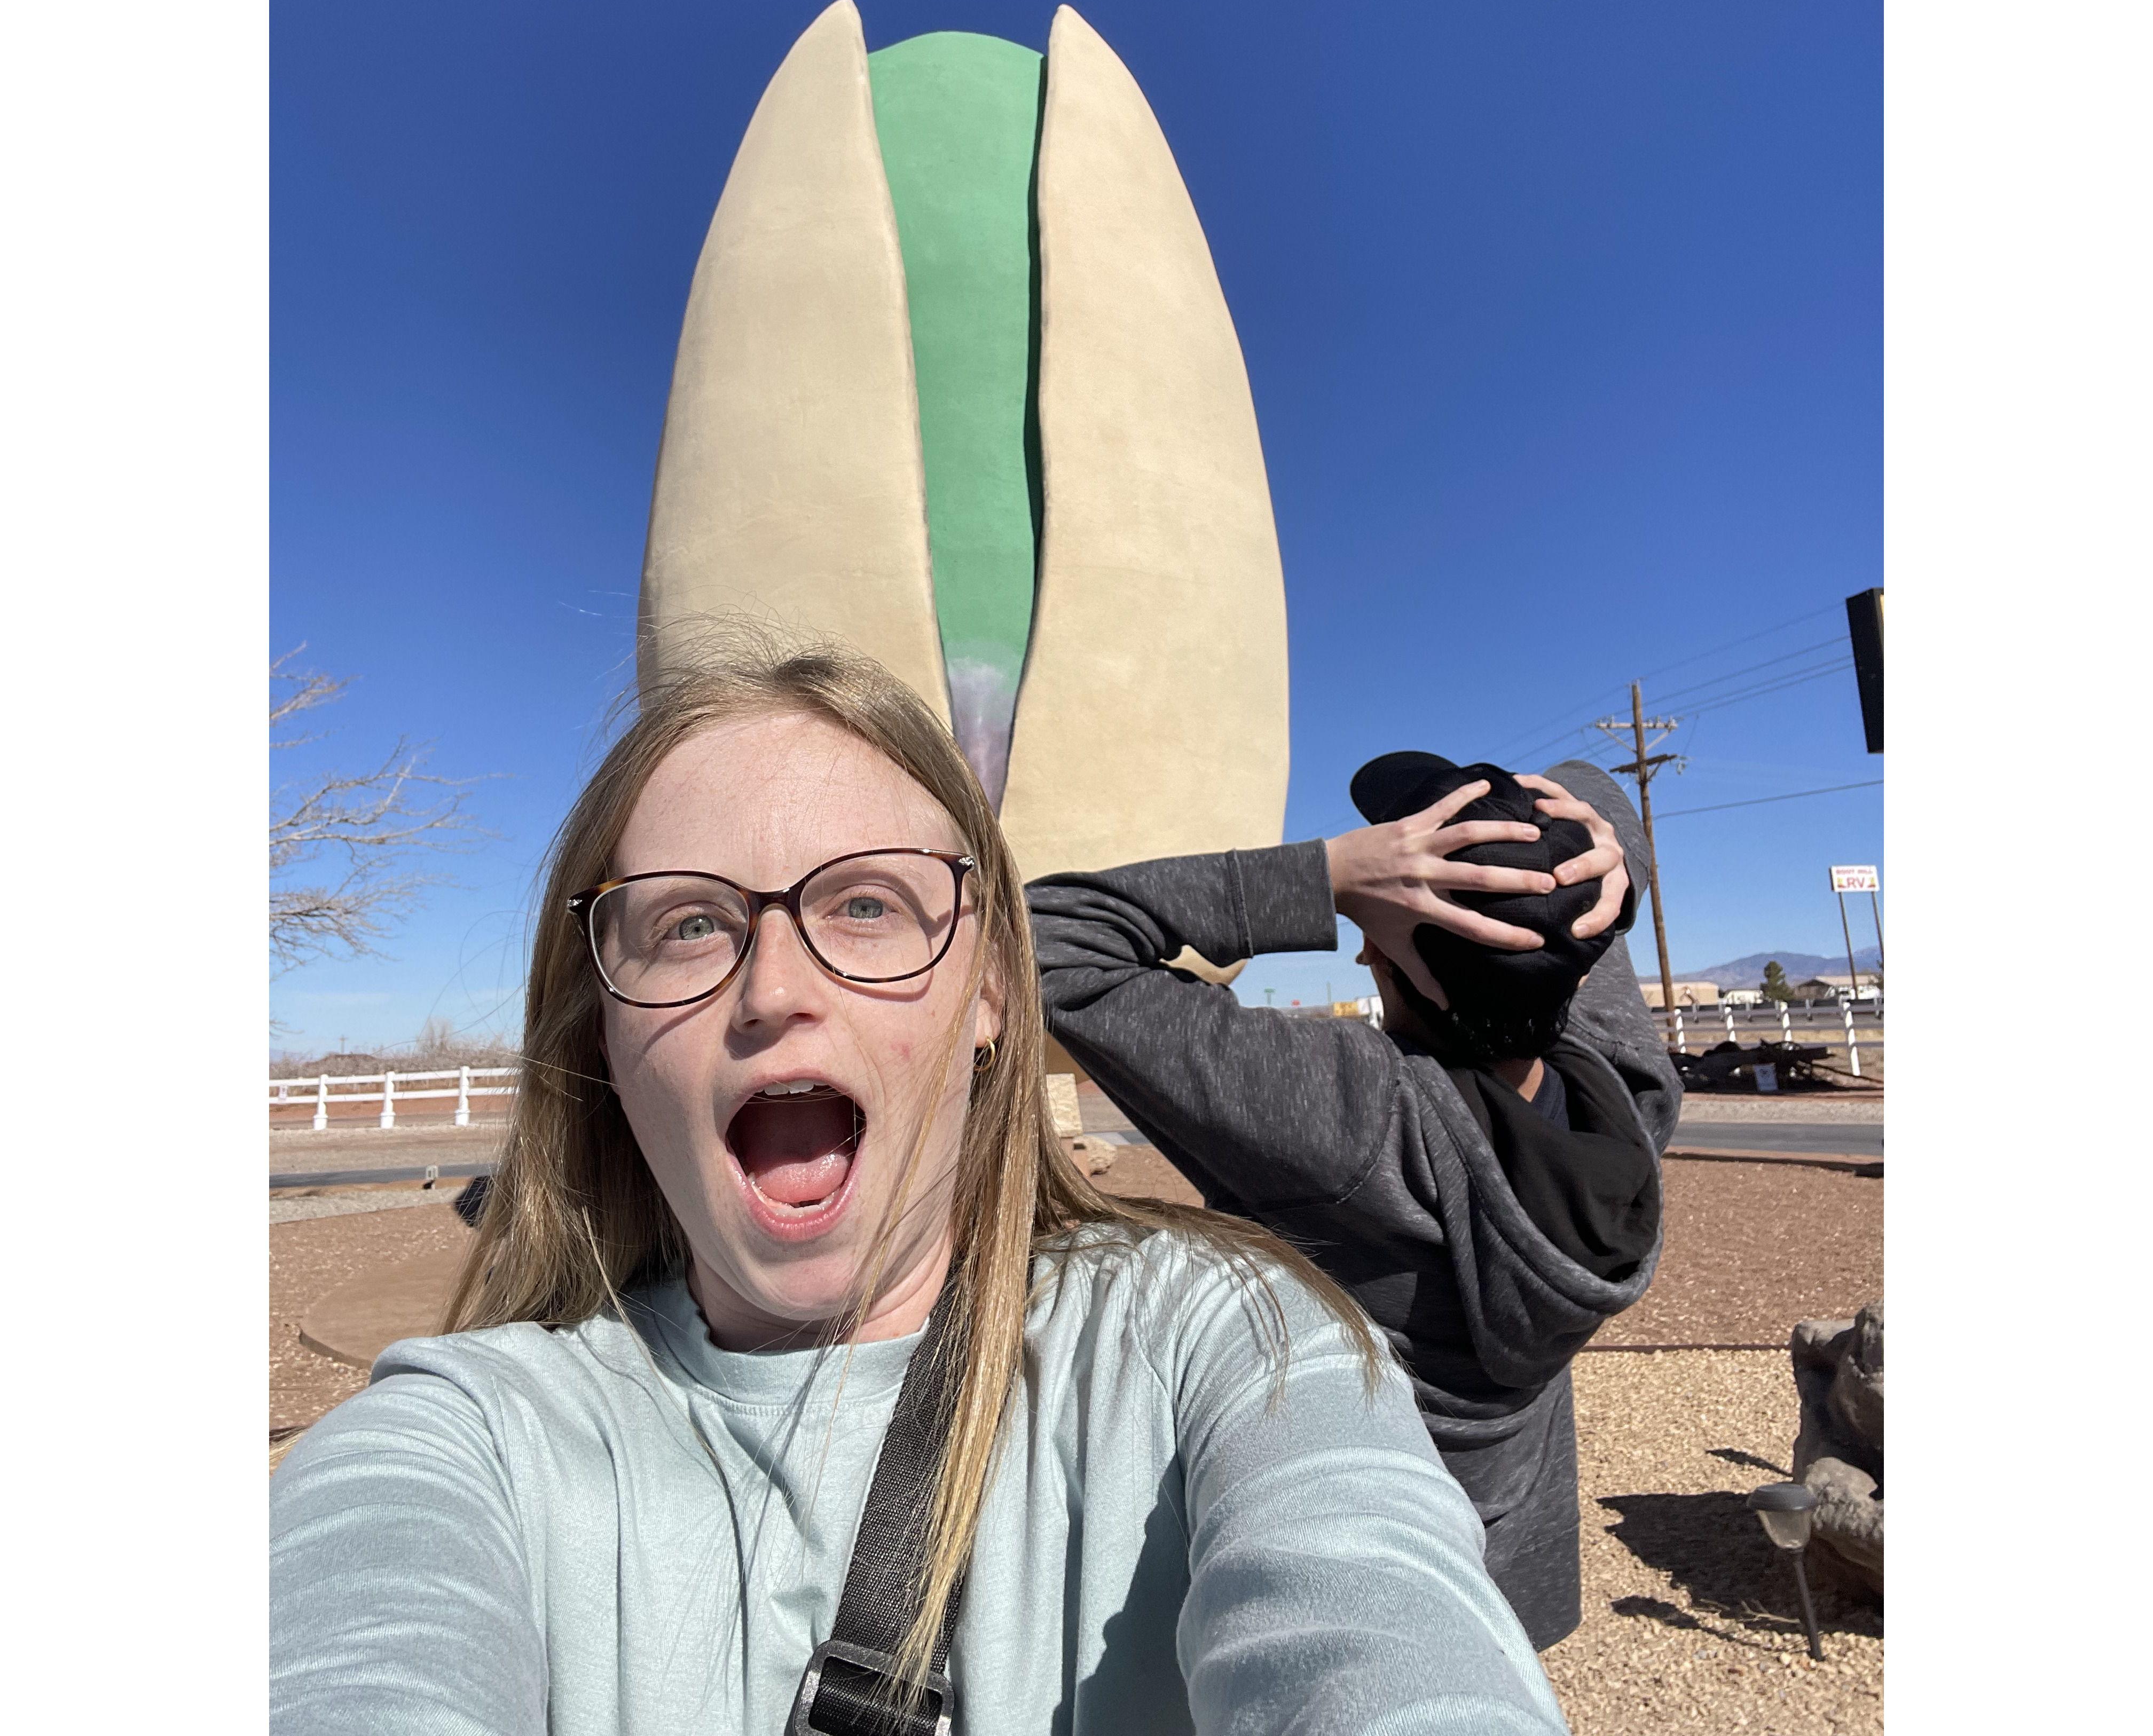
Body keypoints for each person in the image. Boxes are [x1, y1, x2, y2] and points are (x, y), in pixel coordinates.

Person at [270, 638, 1571, 1735]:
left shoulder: (1222, 1341)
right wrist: (1570, 885)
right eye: (686, 922)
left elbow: (1373, 1636)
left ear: (994, 987)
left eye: (870, 908)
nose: (775, 989)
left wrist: (1323, 878)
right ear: (599, 1025)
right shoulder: (471, 1441)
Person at [1028, 758, 1680, 1651]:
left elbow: (1041, 936)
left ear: (1419, 970)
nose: (1363, 947)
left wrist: (1326, 875)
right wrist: (1587, 873)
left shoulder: (1353, 1117)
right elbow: (1593, 793)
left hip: (1337, 1575)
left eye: (1376, 928)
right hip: (1510, 1569)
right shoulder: (1629, 1094)